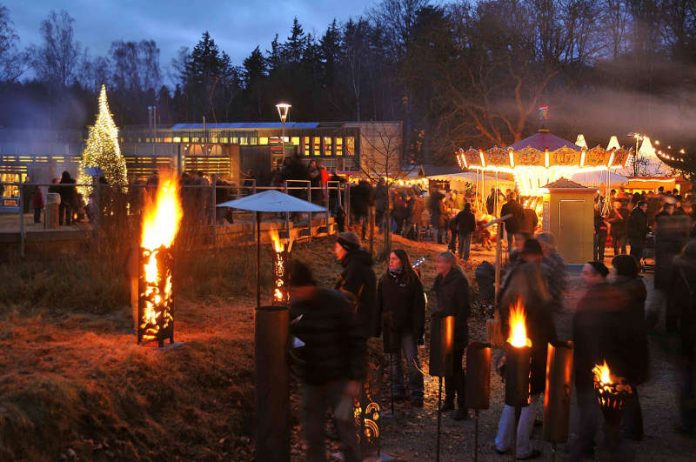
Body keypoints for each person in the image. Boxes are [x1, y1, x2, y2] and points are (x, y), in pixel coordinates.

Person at [288, 260, 365, 462]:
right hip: (312, 382)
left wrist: (355, 378)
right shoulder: (295, 309)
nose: (294, 294)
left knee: (346, 430)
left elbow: (355, 339)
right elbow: (294, 341)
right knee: (313, 435)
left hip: (339, 381)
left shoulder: (335, 302)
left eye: (296, 289)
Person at [495, 239, 556, 459]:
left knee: (513, 394)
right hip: (534, 347)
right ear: (535, 255)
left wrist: (506, 339)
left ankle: (502, 441)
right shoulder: (532, 276)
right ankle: (522, 447)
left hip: (514, 344)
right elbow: (543, 315)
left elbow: (501, 304)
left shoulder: (512, 273)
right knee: (531, 396)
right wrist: (553, 343)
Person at [570, 261, 618, 461]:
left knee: (589, 404)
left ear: (599, 276)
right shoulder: (597, 294)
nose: (583, 276)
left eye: (587, 273)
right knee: (594, 405)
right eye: (582, 272)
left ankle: (586, 446)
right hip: (591, 359)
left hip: (593, 361)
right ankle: (600, 442)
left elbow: (596, 330)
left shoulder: (601, 298)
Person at [377, 250, 426, 406]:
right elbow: (378, 304)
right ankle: (397, 390)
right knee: (394, 360)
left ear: (402, 261)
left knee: (412, 359)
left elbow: (419, 306)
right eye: (390, 259)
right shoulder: (384, 280)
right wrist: (377, 325)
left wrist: (418, 329)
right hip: (390, 327)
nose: (391, 262)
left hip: (408, 328)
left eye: (394, 259)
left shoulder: (412, 280)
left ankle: (417, 392)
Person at [611, 255, 649, 441]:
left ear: (620, 270)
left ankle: (631, 430)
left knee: (625, 387)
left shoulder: (621, 289)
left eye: (614, 268)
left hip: (624, 345)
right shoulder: (635, 286)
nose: (611, 271)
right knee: (628, 387)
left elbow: (615, 318)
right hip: (634, 343)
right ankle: (632, 428)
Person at [432, 251, 471, 420]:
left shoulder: (459, 282)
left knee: (455, 368)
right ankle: (449, 400)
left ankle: (463, 406)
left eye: (440, 262)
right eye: (437, 262)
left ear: (449, 264)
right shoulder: (440, 280)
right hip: (443, 329)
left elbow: (463, 309)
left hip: (456, 331)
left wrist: (456, 328)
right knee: (446, 366)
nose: (437, 265)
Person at [668, 240, 696, 435]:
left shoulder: (680, 273)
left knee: (686, 382)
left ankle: (688, 423)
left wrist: (671, 330)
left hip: (687, 333)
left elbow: (673, 306)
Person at [334, 232, 378, 338]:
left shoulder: (355, 268)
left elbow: (347, 299)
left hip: (354, 329)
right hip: (359, 326)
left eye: (337, 247)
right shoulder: (357, 265)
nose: (334, 251)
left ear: (346, 248)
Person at [537, 233, 567, 313]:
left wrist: (547, 295)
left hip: (551, 304)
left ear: (548, 245)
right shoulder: (539, 258)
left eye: (540, 244)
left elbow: (560, 284)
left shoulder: (557, 260)